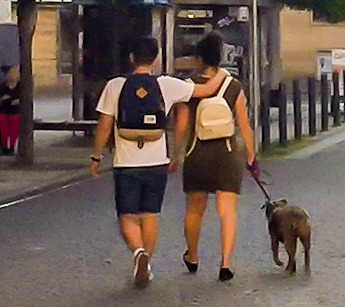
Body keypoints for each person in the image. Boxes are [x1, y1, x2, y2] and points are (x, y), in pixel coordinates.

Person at [90, 36, 197, 288]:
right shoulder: (166, 85)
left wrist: (96, 156)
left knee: (127, 215)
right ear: (156, 58)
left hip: (126, 161)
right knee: (149, 213)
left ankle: (138, 253)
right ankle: (146, 263)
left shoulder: (115, 86)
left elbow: (104, 125)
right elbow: (201, 91)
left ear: (131, 57)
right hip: (156, 160)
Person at [175, 33, 257, 282]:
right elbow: (243, 124)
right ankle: (225, 263)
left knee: (194, 210)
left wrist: (174, 154)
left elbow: (181, 125)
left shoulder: (189, 86)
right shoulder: (234, 86)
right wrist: (251, 156)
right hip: (227, 154)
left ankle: (193, 255)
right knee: (227, 210)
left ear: (199, 58)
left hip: (197, 153)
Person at [0, 65, 22, 156]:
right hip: (3, 110)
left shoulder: (20, 87)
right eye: (10, 74)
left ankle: (11, 147)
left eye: (14, 75)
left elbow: (25, 99)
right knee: (4, 129)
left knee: (14, 129)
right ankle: (4, 147)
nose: (12, 77)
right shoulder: (1, 87)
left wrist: (18, 101)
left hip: (15, 111)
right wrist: (3, 99)